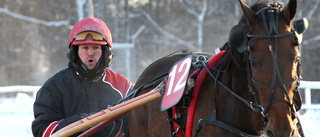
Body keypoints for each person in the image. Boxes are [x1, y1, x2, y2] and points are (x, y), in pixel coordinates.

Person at [32, 17, 132, 137]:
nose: (90, 53)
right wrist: (81, 122)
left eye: (96, 47)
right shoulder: (54, 87)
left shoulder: (124, 87)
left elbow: (139, 127)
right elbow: (42, 131)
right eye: (85, 48)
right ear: (75, 52)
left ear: (106, 52)